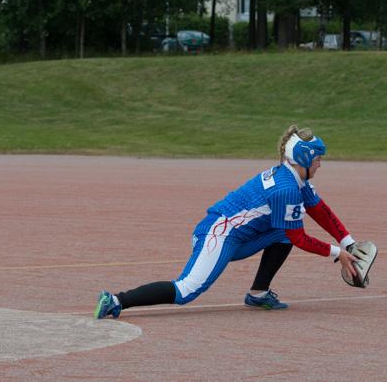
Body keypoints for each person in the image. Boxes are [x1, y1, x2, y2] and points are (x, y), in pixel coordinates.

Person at [94, 125, 360, 319]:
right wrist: (338, 253)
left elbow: (319, 209)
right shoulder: (286, 188)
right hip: (217, 234)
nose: (320, 164)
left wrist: (348, 241)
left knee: (283, 230)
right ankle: (116, 300)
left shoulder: (294, 179)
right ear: (303, 157)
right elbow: (299, 239)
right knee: (187, 289)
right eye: (318, 158)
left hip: (237, 237)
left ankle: (257, 294)